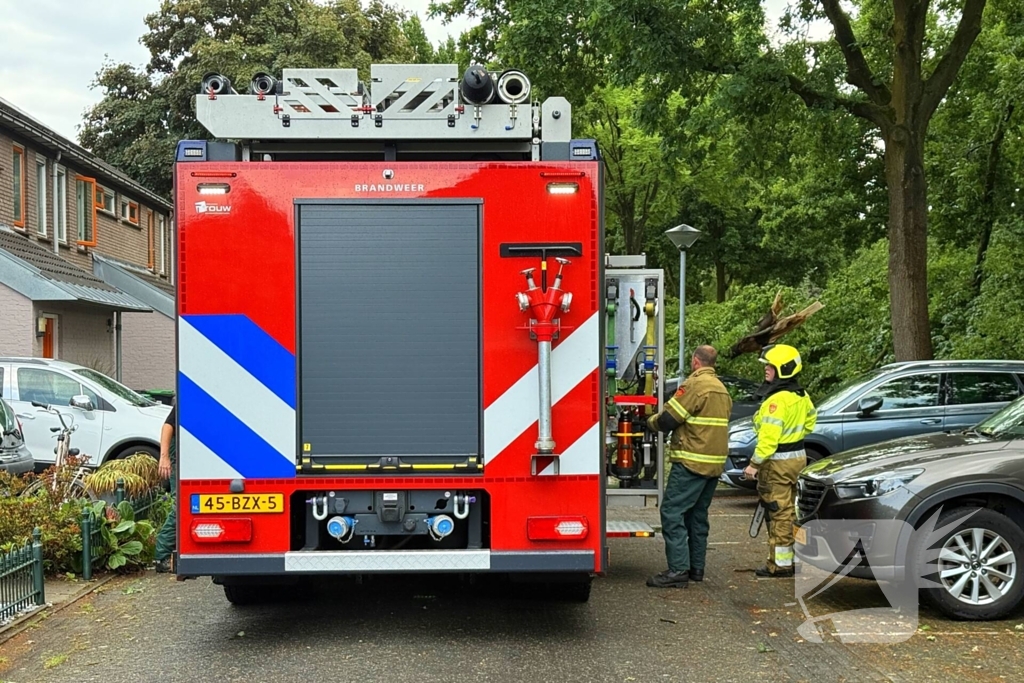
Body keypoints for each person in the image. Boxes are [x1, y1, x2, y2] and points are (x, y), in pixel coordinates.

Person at [645, 345, 733, 589]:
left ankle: (677, 570)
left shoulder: (695, 386)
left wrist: (648, 423)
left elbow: (668, 419)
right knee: (697, 515)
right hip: (715, 465)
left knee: (672, 512)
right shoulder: (722, 390)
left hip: (692, 462)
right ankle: (696, 568)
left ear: (696, 361)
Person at [743, 344, 817, 578]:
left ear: (782, 369)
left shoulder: (777, 401)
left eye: (770, 366)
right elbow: (810, 423)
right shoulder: (801, 395)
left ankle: (780, 564)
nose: (766, 369)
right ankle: (795, 559)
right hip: (798, 459)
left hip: (777, 463)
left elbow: (768, 440)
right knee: (794, 512)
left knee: (779, 514)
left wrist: (753, 465)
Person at [154, 403, 176, 573]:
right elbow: (169, 425)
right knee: (181, 507)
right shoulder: (188, 395)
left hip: (186, 454)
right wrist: (164, 457)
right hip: (179, 456)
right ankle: (161, 556)